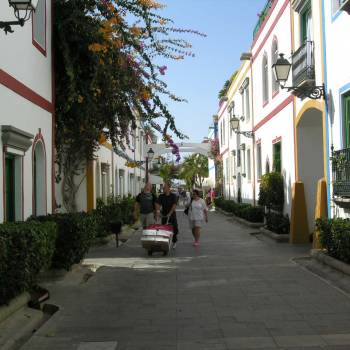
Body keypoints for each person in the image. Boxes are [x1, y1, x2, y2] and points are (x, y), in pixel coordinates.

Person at [157, 183, 179, 248]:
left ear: (169, 188)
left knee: (175, 228)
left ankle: (174, 241)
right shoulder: (161, 196)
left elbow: (174, 205)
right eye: (163, 188)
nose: (163, 189)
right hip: (164, 214)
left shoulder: (173, 196)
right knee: (164, 228)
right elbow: (158, 204)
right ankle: (165, 242)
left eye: (165, 188)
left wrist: (170, 213)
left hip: (172, 214)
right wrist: (158, 212)